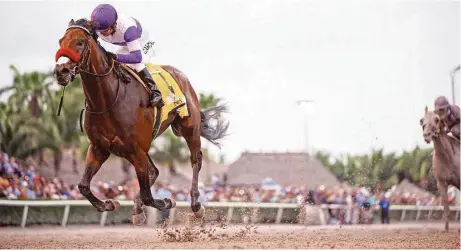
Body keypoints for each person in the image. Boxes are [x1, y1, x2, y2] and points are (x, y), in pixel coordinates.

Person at [90, 4, 163, 108]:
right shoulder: (98, 26)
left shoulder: (128, 29)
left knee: (137, 64)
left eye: (105, 31)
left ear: (113, 25)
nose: (102, 34)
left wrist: (116, 57)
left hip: (143, 44)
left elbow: (137, 57)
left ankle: (155, 92)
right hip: (125, 45)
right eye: (99, 32)